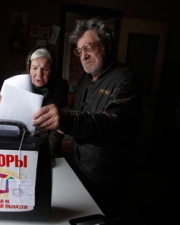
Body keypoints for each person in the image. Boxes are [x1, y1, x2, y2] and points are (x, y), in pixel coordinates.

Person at [32, 17, 144, 221]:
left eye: (89, 47)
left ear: (107, 46)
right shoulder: (85, 80)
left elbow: (111, 123)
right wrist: (48, 149)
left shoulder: (126, 80)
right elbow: (71, 114)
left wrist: (66, 120)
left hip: (107, 179)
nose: (84, 55)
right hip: (78, 168)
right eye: (80, 50)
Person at [0, 46, 69, 163]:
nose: (39, 74)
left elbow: (57, 131)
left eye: (45, 69)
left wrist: (47, 154)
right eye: (34, 68)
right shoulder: (16, 83)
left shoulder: (59, 89)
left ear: (51, 70)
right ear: (28, 68)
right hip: (12, 150)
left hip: (44, 149)